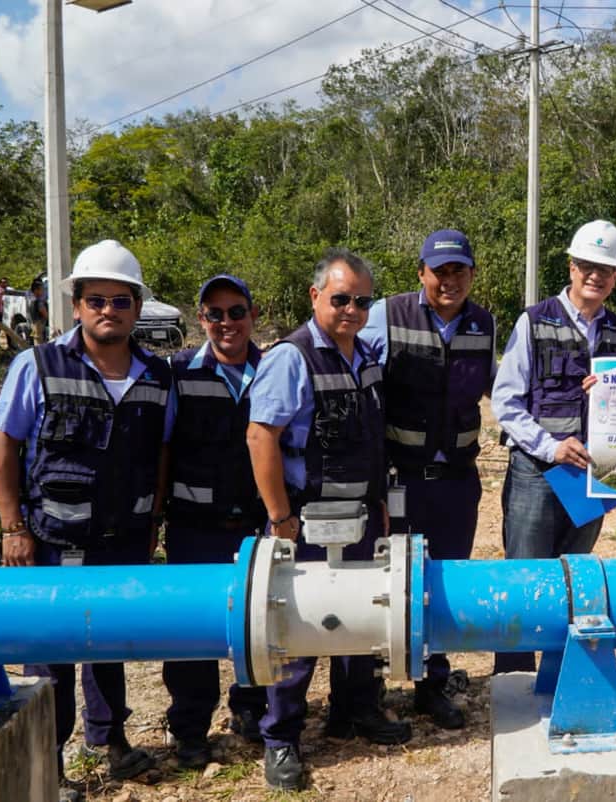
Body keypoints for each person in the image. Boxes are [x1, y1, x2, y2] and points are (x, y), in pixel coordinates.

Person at [0, 240, 172, 800]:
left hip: (125, 540)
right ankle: (47, 766)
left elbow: (161, 455)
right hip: (53, 541)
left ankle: (111, 741)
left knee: (111, 643)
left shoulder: (157, 376)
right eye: (96, 300)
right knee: (51, 656)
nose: (108, 310)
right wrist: (13, 528)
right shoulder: (37, 366)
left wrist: (153, 521)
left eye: (120, 300)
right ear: (76, 305)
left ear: (137, 307)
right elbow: (4, 447)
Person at [247, 248, 411, 792]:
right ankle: (281, 738)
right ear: (315, 296)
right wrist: (280, 517)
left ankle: (355, 712)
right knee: (295, 630)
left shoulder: (366, 356)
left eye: (362, 302)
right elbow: (261, 437)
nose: (352, 310)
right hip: (306, 521)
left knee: (363, 617)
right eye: (341, 299)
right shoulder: (291, 358)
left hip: (360, 515)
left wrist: (379, 499)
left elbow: (370, 438)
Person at [359, 229, 494, 730]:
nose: (449, 280)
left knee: (444, 585)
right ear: (421, 273)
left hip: (457, 480)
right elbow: (348, 365)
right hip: (401, 478)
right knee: (385, 581)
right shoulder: (386, 315)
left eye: (459, 270)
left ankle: (431, 685)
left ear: (472, 275)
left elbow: (504, 388)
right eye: (440, 271)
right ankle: (369, 688)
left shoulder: (484, 324)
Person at [490, 219, 616, 673]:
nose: (595, 275)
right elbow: (506, 401)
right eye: (587, 266)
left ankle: (557, 673)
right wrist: (550, 447)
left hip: (591, 475)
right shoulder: (534, 321)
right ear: (571, 267)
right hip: (537, 472)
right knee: (525, 577)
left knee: (574, 577)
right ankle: (513, 675)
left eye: (606, 269)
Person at [161, 274, 267, 768]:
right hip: (194, 526)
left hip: (256, 526)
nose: (227, 322)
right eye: (215, 314)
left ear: (253, 315)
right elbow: (163, 448)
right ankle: (190, 729)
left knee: (259, 622)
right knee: (192, 630)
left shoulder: (273, 370)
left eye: (236, 312)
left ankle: (252, 709)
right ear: (201, 319)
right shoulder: (178, 373)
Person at [28, 279, 49, 344]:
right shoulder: (39, 302)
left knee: (36, 343)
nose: (43, 291)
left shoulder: (31, 299)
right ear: (36, 290)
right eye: (41, 289)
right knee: (40, 345)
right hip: (39, 327)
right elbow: (45, 314)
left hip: (34, 326)